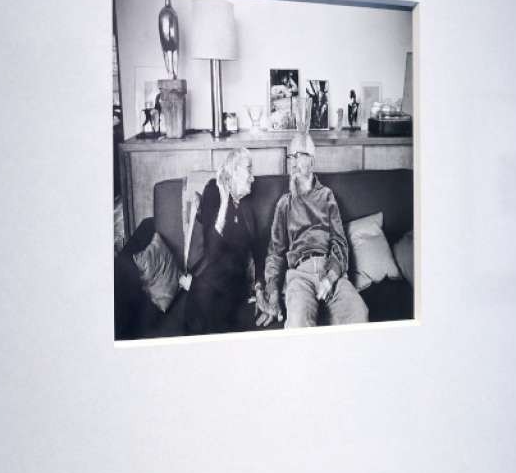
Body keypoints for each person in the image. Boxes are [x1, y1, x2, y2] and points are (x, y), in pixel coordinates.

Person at [262, 133, 369, 328]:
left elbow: (340, 242)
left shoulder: (327, 196)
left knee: (359, 313)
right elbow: (275, 254)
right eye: (290, 156)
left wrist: (331, 277)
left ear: (312, 160)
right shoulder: (284, 203)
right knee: (298, 323)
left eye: (298, 155)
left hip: (329, 271)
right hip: (299, 275)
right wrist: (273, 292)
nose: (293, 163)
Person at [158, 149, 262, 336]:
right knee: (203, 316)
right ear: (234, 171)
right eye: (249, 169)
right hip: (210, 278)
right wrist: (224, 203)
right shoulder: (213, 191)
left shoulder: (247, 206)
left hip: (233, 284)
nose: (253, 178)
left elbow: (258, 251)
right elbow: (212, 250)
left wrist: (259, 288)